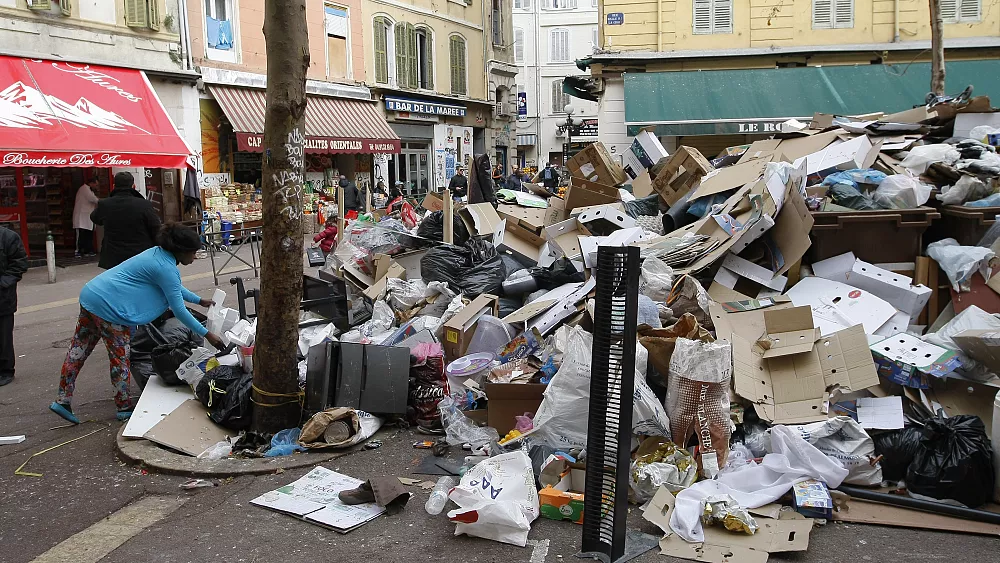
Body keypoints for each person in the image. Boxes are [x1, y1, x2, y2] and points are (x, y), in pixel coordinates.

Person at [49, 224, 224, 424]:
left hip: (91, 296)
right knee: (120, 358)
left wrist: (198, 300)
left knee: (77, 352)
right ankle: (124, 408)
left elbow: (173, 289)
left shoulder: (157, 254)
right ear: (181, 250)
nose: (194, 258)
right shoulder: (166, 268)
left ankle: (62, 399)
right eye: (193, 253)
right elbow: (178, 309)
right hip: (110, 309)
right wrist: (207, 334)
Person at [91, 171, 161, 270]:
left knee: (118, 284)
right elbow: (156, 227)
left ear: (114, 186)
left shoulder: (105, 204)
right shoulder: (144, 204)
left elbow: (95, 218)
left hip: (114, 256)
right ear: (133, 186)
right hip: (140, 255)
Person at [0, 225, 27, 387]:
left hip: (3, 298)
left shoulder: (8, 237)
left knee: (3, 337)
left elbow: (20, 264)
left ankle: (5, 370)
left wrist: (3, 283)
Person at [72, 177, 100, 257]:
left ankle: (88, 250)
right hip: (82, 216)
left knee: (88, 234)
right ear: (91, 183)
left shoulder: (89, 190)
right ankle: (78, 251)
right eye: (95, 184)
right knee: (81, 234)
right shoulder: (84, 189)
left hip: (87, 216)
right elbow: (94, 199)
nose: (96, 186)